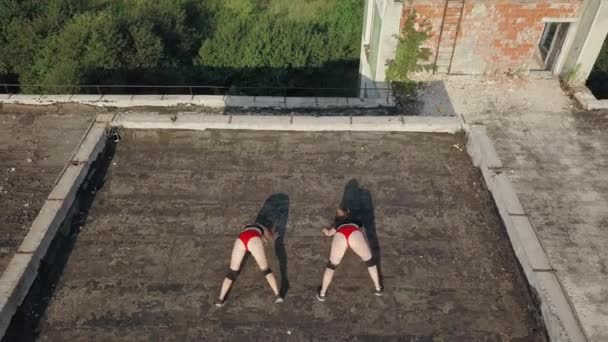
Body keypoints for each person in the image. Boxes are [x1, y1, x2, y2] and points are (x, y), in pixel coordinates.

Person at [316, 208, 383, 301]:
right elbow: (361, 231)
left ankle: (322, 294)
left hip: (340, 234)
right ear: (348, 213)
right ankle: (378, 288)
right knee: (370, 261)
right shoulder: (357, 221)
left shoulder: (337, 223)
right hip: (354, 232)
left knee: (331, 265)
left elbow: (329, 233)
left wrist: (324, 230)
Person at [216, 222, 283, 307]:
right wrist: (272, 238)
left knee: (231, 273)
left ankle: (220, 300)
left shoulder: (245, 226)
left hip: (241, 239)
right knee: (266, 270)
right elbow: (268, 239)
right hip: (254, 239)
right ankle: (278, 295)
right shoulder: (262, 226)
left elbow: (246, 234)